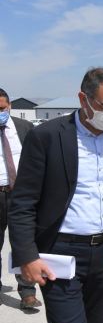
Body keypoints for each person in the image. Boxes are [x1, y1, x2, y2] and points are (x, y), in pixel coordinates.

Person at [8, 68, 103, 323]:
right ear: (83, 99)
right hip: (60, 252)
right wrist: (27, 256)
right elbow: (23, 202)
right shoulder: (47, 136)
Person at [0, 88, 42, 310]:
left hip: (20, 195)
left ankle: (27, 292)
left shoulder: (24, 128)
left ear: (10, 106)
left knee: (24, 242)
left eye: (2, 108)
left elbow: (37, 160)